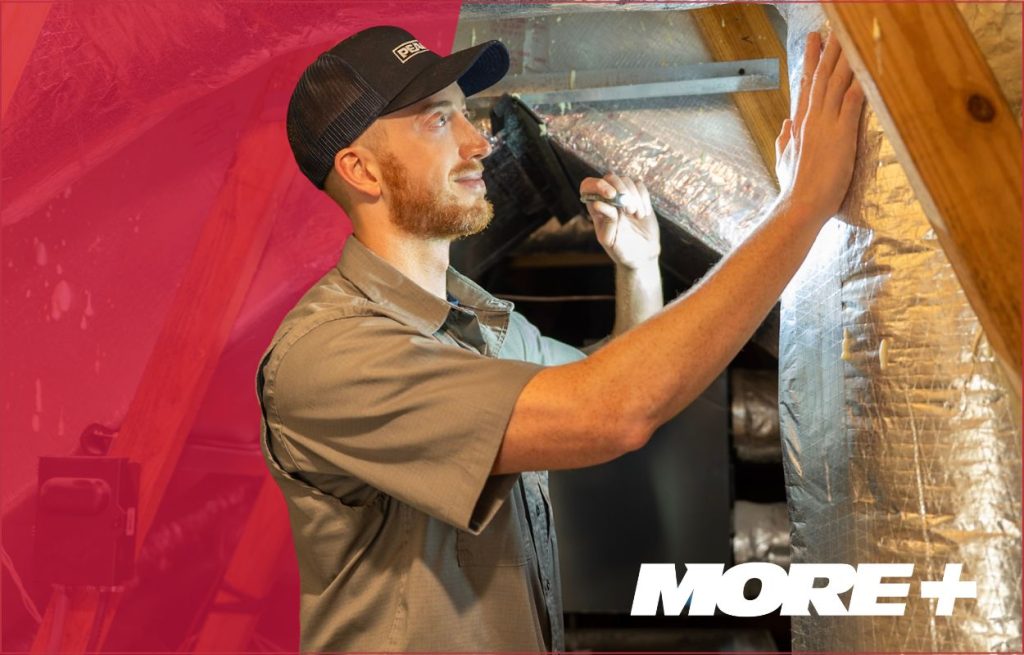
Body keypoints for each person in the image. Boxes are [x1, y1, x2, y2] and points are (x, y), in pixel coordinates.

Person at [255, 25, 864, 652]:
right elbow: (611, 412)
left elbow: (618, 386)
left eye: (467, 115)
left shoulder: (479, 327)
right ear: (361, 169)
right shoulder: (331, 356)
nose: (479, 142)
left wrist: (638, 268)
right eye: (439, 122)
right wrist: (803, 207)